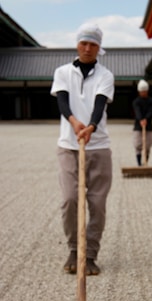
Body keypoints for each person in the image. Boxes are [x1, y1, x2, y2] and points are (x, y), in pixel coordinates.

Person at [50, 23, 114, 275]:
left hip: (99, 147)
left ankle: (90, 255)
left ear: (99, 48)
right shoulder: (62, 72)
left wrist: (91, 127)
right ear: (77, 44)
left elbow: (100, 105)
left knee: (97, 203)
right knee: (69, 199)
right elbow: (63, 101)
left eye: (93, 44)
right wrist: (76, 123)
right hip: (68, 144)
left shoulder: (105, 76)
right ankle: (74, 250)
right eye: (83, 43)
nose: (87, 48)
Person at [132, 79, 152, 166]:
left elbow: (151, 111)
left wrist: (146, 119)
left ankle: (146, 162)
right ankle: (139, 163)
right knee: (138, 144)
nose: (143, 93)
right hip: (138, 125)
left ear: (147, 91)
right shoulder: (136, 101)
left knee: (148, 144)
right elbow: (137, 111)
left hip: (148, 125)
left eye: (145, 91)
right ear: (139, 92)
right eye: (142, 91)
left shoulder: (151, 101)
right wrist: (141, 119)